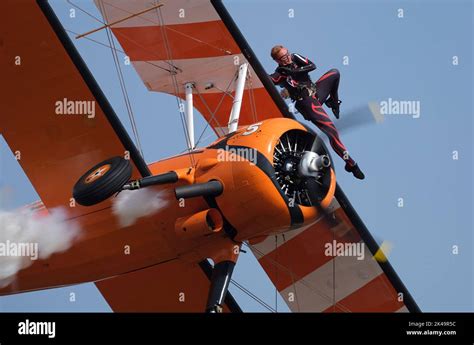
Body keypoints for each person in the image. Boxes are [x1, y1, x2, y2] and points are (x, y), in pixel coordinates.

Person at [269, 45, 365, 180]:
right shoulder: (280, 73)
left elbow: (313, 66)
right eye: (283, 58)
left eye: (287, 54)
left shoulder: (295, 57)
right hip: (307, 103)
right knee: (332, 132)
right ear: (277, 61)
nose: (287, 58)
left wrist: (296, 71)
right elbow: (269, 79)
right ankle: (351, 164)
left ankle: (333, 102)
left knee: (335, 73)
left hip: (316, 93)